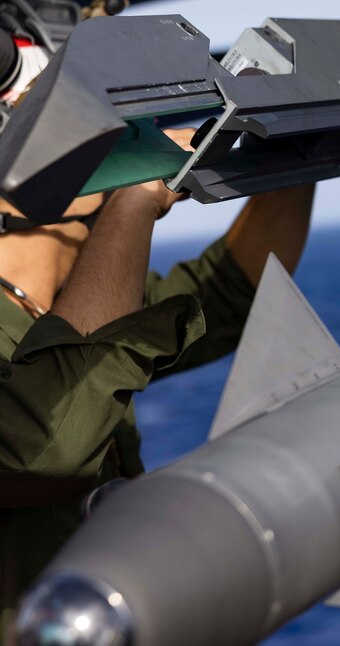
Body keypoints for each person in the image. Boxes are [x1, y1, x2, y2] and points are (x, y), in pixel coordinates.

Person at [0, 125, 315, 633]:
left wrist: (290, 140)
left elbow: (235, 291)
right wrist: (135, 200)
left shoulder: (68, 302)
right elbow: (44, 446)